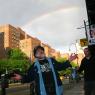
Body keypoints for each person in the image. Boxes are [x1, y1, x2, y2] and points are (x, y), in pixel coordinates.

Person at [12, 45, 77, 95]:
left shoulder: (51, 60)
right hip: (43, 92)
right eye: (38, 51)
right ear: (35, 55)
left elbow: (61, 66)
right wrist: (21, 77)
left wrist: (69, 60)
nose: (40, 51)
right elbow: (29, 77)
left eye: (41, 50)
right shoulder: (34, 66)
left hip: (56, 90)